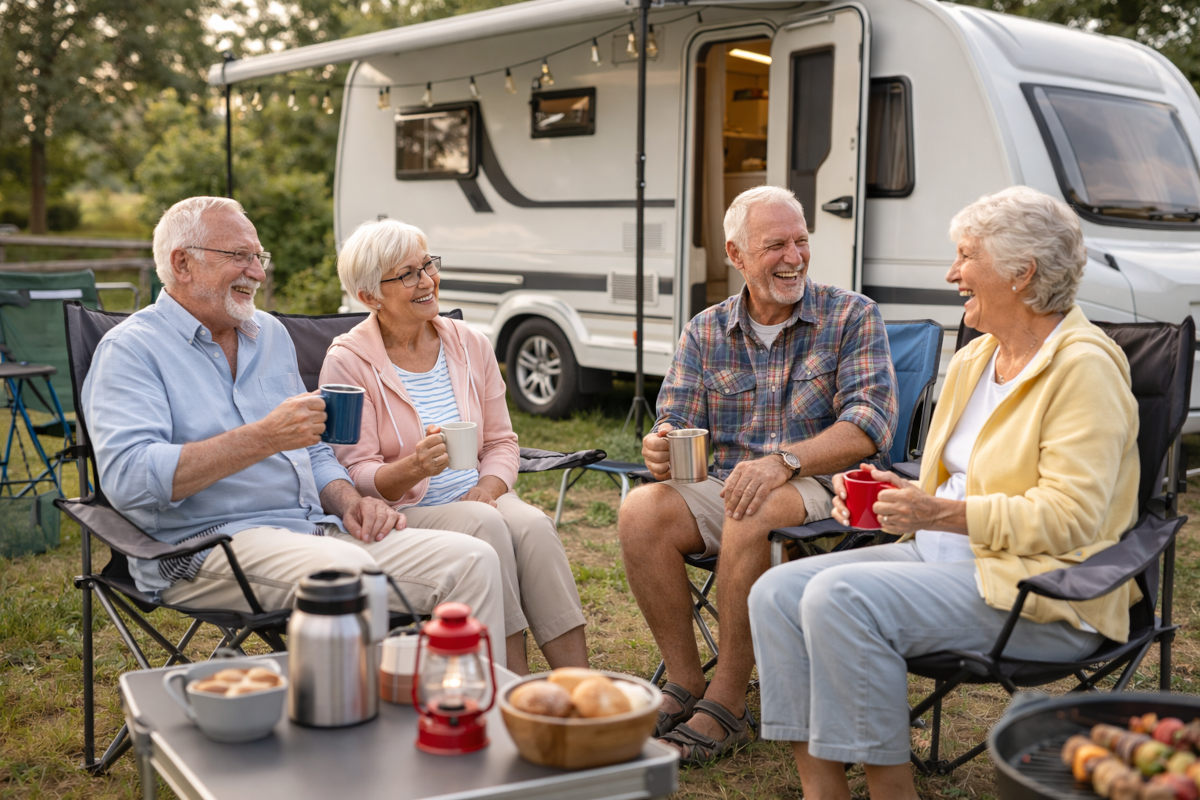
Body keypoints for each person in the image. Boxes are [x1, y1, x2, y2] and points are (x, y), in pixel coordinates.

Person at [749, 185, 1140, 799]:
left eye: (966, 257)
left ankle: (892, 793)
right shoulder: (976, 358)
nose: (952, 273)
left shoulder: (1083, 367)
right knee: (775, 591)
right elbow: (960, 476)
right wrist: (903, 490)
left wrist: (939, 511)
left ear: (1021, 273)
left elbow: (1073, 518)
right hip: (939, 559)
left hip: (1039, 589)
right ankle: (822, 790)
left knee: (839, 594)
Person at [82, 197, 507, 661]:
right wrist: (264, 437)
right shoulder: (130, 351)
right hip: (206, 544)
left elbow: (315, 451)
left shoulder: (269, 335)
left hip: (315, 529)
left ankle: (468, 717)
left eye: (258, 257)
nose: (258, 272)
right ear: (182, 263)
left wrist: (352, 503)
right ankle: (361, 725)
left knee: (473, 560)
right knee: (346, 573)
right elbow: (128, 481)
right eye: (239, 257)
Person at [618, 185, 898, 763]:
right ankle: (685, 681)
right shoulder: (705, 329)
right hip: (730, 483)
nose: (793, 257)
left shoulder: (851, 315)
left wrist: (786, 461)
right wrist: (660, 443)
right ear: (736, 254)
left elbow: (869, 425)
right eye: (775, 245)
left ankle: (729, 701)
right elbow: (676, 416)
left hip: (822, 486)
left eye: (801, 241)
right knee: (640, 510)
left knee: (756, 502)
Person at [319, 218, 588, 675]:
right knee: (485, 524)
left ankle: (581, 687)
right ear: (369, 297)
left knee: (535, 527)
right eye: (407, 275)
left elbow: (503, 441)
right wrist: (413, 468)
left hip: (480, 497)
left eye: (427, 265)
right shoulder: (347, 361)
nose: (427, 281)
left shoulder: (469, 344)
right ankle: (511, 688)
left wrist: (489, 487)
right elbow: (354, 473)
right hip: (408, 514)